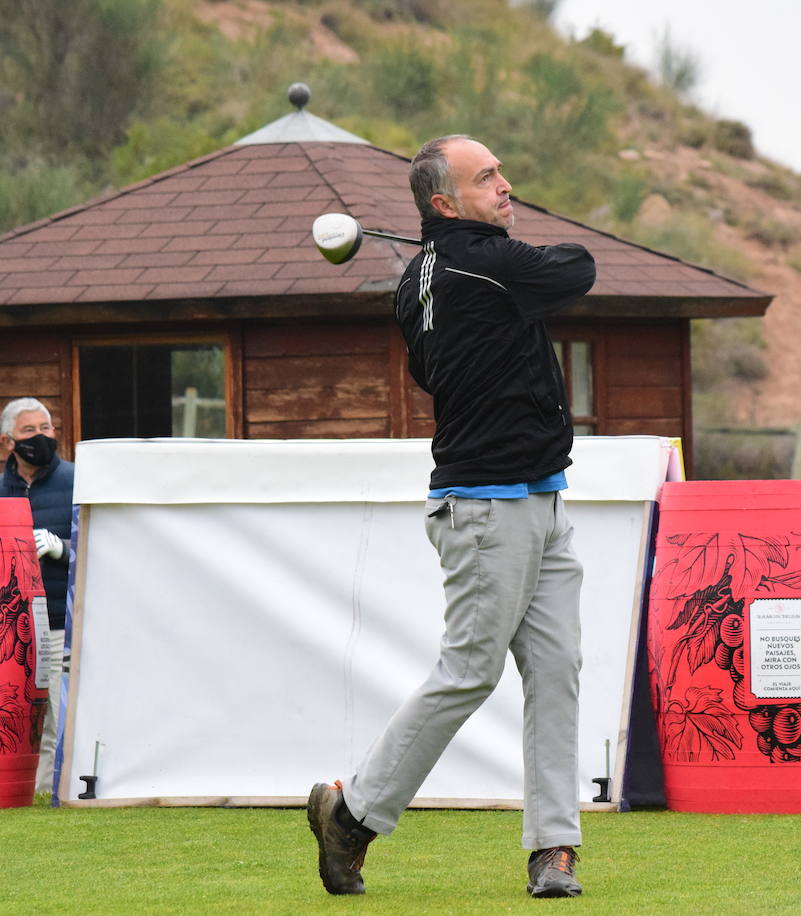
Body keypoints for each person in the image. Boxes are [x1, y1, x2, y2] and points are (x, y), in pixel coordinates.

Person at [307, 135, 596, 899]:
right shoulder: (488, 266)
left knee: (558, 671)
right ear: (443, 203)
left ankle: (553, 848)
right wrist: (499, 252)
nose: (508, 184)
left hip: (541, 497)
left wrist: (486, 249)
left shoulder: (419, 282)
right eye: (488, 177)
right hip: (486, 510)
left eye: (502, 169)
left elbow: (427, 366)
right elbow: (577, 268)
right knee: (470, 671)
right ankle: (354, 815)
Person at [0, 397, 74, 794]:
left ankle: (51, 790)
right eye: (29, 431)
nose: (40, 437)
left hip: (60, 621)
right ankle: (11, 787)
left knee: (56, 713)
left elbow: (108, 548)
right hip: (7, 626)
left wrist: (63, 548)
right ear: (7, 441)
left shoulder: (78, 483)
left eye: (45, 429)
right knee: (11, 709)